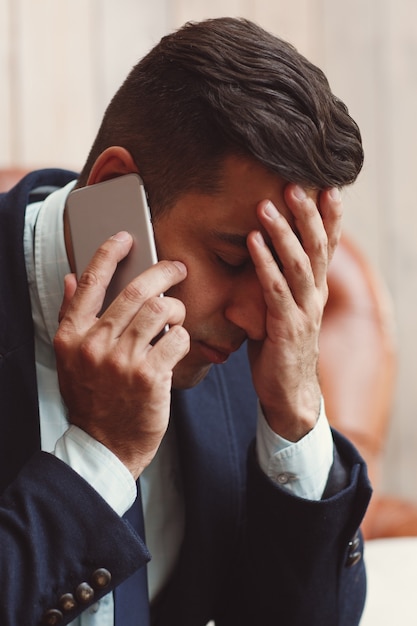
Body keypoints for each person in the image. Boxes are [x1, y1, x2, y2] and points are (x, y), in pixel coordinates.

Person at [0, 16, 371, 626]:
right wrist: (100, 456)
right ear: (115, 191)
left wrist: (297, 408)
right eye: (230, 258)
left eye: (279, 268)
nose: (256, 318)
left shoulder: (241, 343)